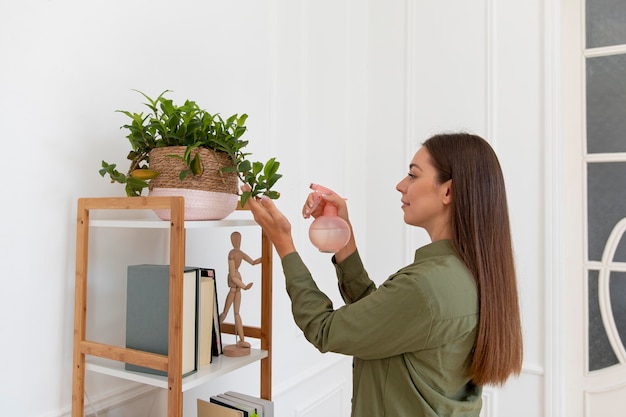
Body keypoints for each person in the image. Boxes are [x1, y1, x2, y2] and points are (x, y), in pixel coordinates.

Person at [246, 132, 523, 417]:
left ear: (448, 191)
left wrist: (283, 242)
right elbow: (380, 319)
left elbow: (324, 329)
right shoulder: (466, 273)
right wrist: (345, 237)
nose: (400, 185)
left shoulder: (427, 287)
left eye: (413, 176)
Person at [219, 231, 261, 355]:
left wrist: (264, 258)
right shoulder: (232, 254)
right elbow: (232, 276)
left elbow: (253, 262)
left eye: (239, 240)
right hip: (235, 284)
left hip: (238, 284)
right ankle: (212, 330)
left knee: (237, 313)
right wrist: (244, 286)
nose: (238, 242)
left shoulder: (239, 253)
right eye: (236, 240)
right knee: (225, 312)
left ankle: (242, 339)